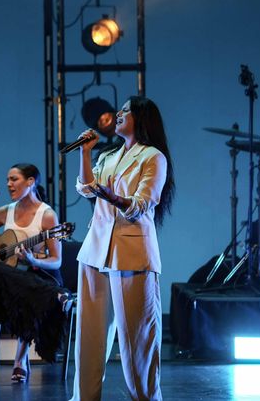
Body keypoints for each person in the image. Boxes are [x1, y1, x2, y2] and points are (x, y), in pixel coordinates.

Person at [70, 96, 175, 401]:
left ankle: (145, 397)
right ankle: (83, 398)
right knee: (89, 337)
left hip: (131, 254)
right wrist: (85, 154)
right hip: (95, 250)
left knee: (137, 340)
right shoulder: (109, 155)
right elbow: (87, 188)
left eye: (126, 111)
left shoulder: (154, 157)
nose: (118, 114)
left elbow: (141, 205)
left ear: (141, 119)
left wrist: (111, 197)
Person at [0, 163, 67, 384]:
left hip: (41, 276)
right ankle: (56, 297)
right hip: (13, 280)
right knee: (1, 270)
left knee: (25, 289)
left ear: (30, 182)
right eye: (8, 180)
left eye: (14, 179)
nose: (8, 184)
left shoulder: (47, 216)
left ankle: (19, 360)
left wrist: (31, 259)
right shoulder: (5, 211)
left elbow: (56, 260)